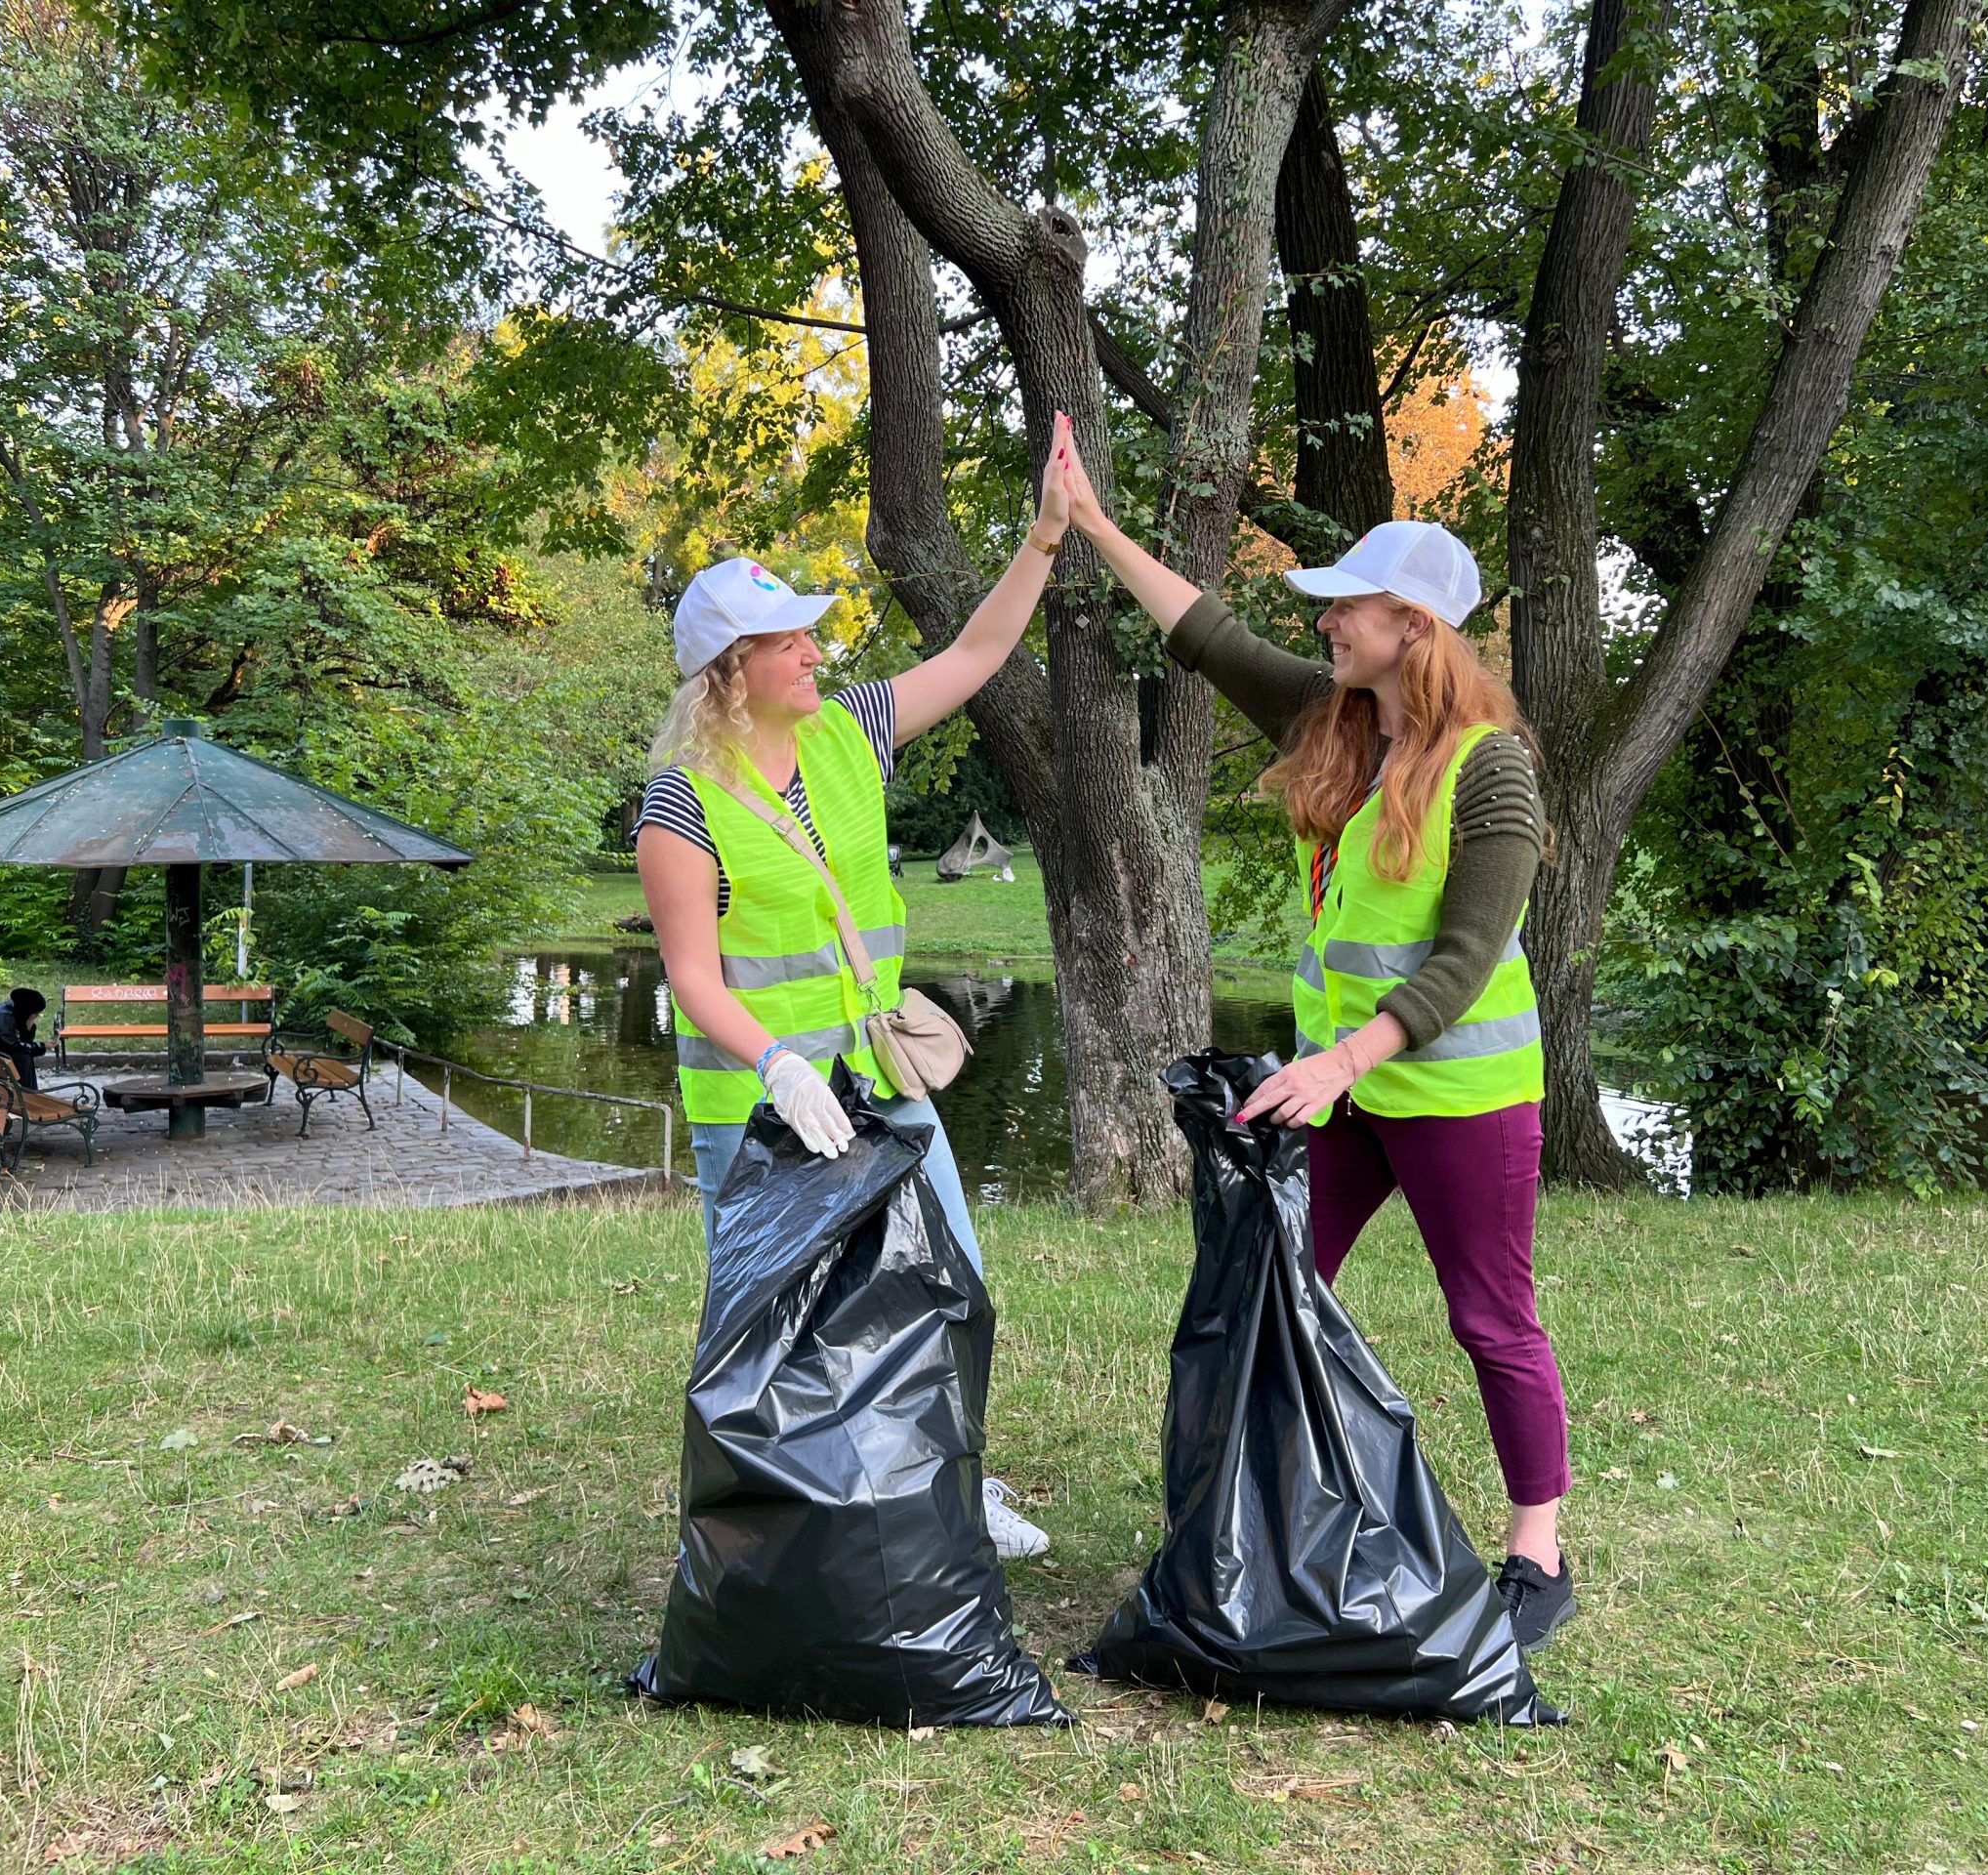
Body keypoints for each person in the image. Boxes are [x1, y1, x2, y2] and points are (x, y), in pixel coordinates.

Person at [1060, 465, 1579, 1653]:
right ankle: (1263, 1512)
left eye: (1348, 605)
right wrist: (1094, 524)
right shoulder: (1338, 723)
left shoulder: (1489, 765)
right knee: (1272, 1288)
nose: (1325, 620)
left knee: (1489, 1317)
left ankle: (1536, 1551)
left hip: (1454, 1092)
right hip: (1340, 1086)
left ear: (1414, 627)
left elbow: (1461, 963)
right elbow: (1206, 634)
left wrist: (1343, 1063)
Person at [637, 413, 1079, 1562]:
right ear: (731, 671)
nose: (814, 653)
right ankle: (780, 1536)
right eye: (789, 641)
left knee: (946, 1282)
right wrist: (777, 1065)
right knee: (778, 1325)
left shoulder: (850, 735)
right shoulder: (679, 806)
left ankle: (956, 1491)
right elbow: (693, 981)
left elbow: (976, 658)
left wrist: (1039, 541)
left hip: (881, 1085)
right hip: (763, 1114)